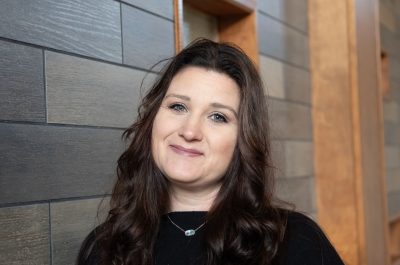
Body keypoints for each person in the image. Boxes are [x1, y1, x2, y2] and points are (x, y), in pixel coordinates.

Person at [76, 39, 345, 265]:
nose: (190, 131)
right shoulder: (104, 247)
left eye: (217, 116)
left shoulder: (294, 241)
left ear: (243, 138)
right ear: (152, 119)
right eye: (178, 107)